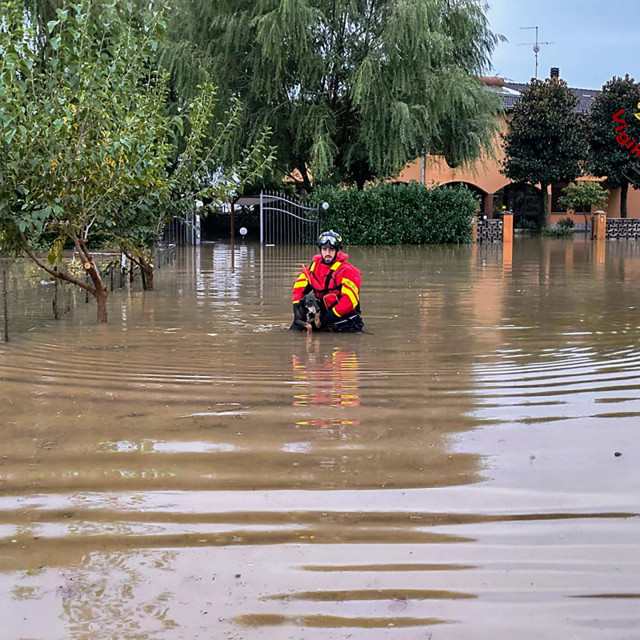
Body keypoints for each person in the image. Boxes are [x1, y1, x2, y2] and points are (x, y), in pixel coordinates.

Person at [291, 230, 364, 333]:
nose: (327, 253)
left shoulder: (348, 271)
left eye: (331, 250)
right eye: (324, 249)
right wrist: (297, 310)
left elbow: (348, 302)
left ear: (337, 250)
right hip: (321, 319)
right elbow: (298, 289)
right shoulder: (312, 268)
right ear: (320, 250)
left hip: (344, 323)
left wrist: (325, 320)